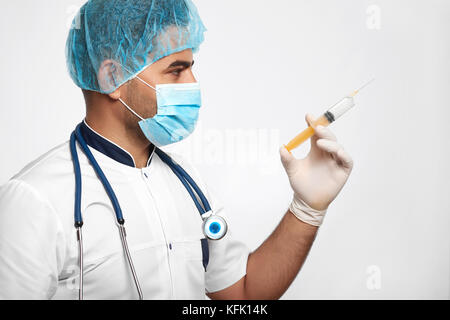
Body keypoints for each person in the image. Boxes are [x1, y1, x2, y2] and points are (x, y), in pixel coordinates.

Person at [0, 0, 353, 299]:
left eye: (191, 68)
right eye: (176, 70)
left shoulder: (188, 182)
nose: (193, 84)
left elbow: (241, 295)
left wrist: (307, 209)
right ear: (112, 78)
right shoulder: (35, 200)